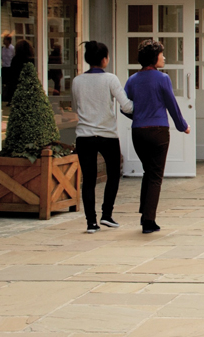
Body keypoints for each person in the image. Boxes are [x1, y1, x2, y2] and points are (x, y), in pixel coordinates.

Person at [123, 40, 189, 234]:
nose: (164, 57)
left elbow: (124, 106)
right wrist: (183, 126)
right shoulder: (162, 79)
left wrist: (137, 116)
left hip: (138, 131)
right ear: (155, 58)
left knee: (148, 171)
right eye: (162, 54)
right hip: (158, 131)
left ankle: (145, 210)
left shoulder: (132, 80)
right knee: (155, 176)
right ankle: (148, 220)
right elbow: (172, 105)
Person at [71, 41, 132, 233]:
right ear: (104, 59)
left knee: (88, 179)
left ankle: (91, 222)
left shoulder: (77, 81)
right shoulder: (110, 79)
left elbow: (76, 106)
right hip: (107, 135)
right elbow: (127, 106)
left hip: (84, 135)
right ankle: (107, 214)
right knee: (113, 175)